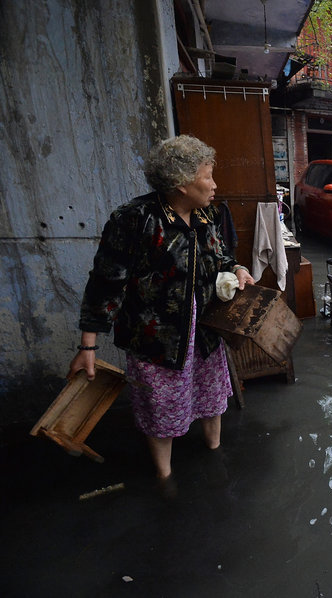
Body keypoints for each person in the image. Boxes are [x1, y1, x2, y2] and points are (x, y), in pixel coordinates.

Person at [68, 135, 255, 492]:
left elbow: (220, 256)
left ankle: (214, 454)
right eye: (208, 176)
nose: (215, 185)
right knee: (161, 407)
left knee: (210, 396)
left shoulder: (207, 213)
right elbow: (105, 284)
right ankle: (165, 479)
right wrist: (88, 346)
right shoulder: (134, 219)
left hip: (204, 330)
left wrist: (238, 268)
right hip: (156, 339)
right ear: (181, 184)